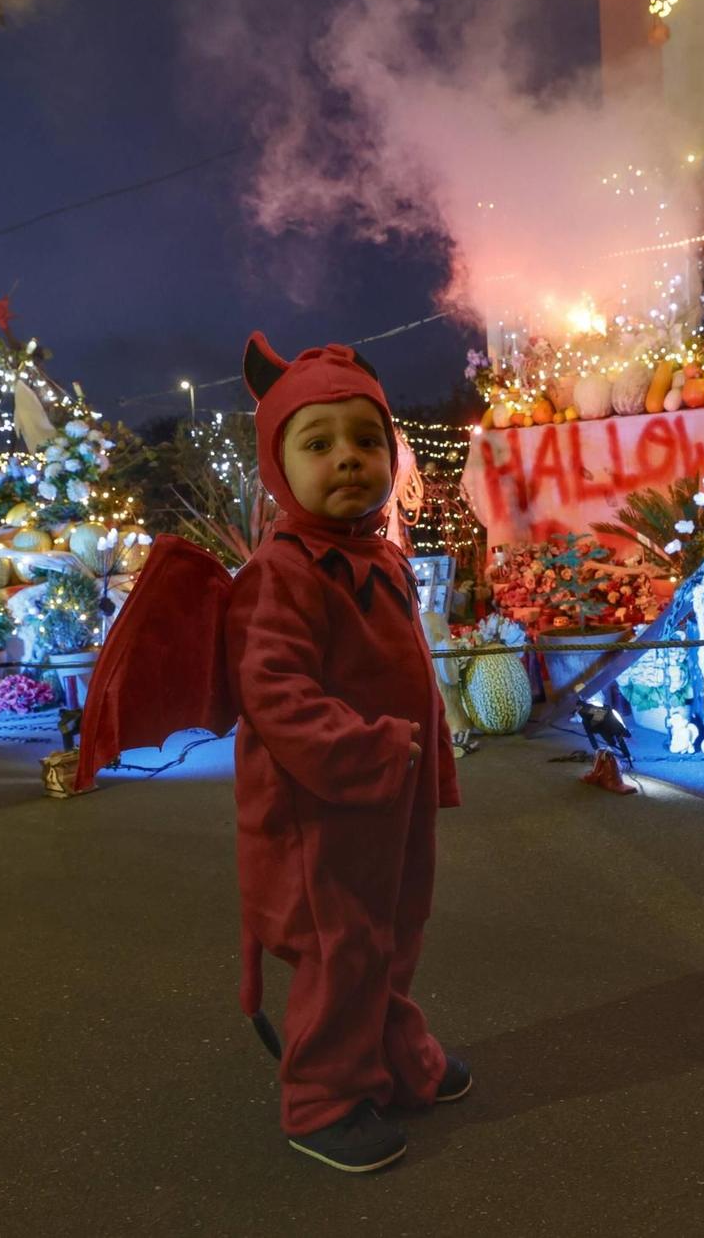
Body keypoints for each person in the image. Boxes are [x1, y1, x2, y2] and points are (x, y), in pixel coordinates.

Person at [226, 331, 470, 1172]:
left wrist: (426, 761)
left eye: (368, 441)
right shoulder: (282, 568)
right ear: (278, 465)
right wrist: (369, 751)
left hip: (392, 791)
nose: (349, 460)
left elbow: (411, 675)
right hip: (320, 807)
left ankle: (399, 1057)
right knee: (340, 948)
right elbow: (275, 693)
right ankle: (323, 1098)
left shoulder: (384, 558)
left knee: (396, 928)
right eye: (318, 443)